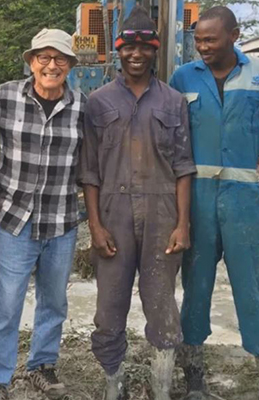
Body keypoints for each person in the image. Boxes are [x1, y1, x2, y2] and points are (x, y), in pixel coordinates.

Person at [79, 7, 196, 400]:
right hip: (113, 213)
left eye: (145, 47)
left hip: (163, 215)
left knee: (162, 306)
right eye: (129, 46)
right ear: (118, 49)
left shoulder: (174, 101)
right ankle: (115, 383)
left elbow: (183, 167)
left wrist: (183, 223)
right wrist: (94, 225)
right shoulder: (96, 102)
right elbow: (90, 171)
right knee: (108, 311)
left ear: (154, 49)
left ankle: (160, 388)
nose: (136, 54)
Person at [0, 28, 86, 400]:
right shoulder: (7, 95)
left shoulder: (81, 106)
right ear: (31, 61)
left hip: (61, 221)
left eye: (60, 59)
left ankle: (41, 365)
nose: (51, 65)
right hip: (15, 221)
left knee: (54, 301)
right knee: (6, 305)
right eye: (43, 57)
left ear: (70, 65)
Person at [170, 6, 259, 400]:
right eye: (198, 40)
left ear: (234, 35)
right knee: (197, 284)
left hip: (247, 202)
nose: (203, 47)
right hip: (199, 200)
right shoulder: (183, 77)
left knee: (252, 286)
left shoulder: (256, 75)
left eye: (211, 39)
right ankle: (194, 374)